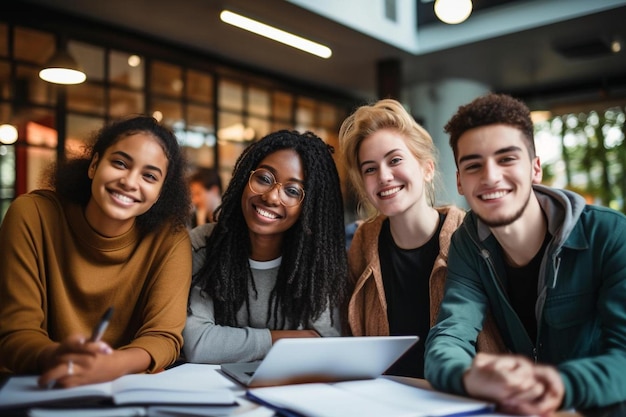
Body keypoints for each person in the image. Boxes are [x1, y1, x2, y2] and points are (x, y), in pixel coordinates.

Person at [424, 93, 626, 415]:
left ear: (535, 168)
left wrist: (561, 384)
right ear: (460, 181)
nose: (490, 176)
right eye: (474, 165)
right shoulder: (467, 244)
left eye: (506, 159)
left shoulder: (610, 235)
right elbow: (450, 333)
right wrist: (468, 376)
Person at [0, 115, 192, 388]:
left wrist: (112, 365)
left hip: (122, 388)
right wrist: (57, 356)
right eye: (120, 163)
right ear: (93, 165)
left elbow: (163, 336)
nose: (129, 181)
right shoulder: (32, 215)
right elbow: (15, 332)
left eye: (149, 176)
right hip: (35, 384)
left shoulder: (170, 240)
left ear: (160, 192)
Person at [338, 98, 504, 379]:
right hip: (383, 397)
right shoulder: (362, 242)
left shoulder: (473, 237)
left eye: (395, 160)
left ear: (427, 168)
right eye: (370, 168)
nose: (384, 176)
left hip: (461, 397)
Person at [183, 130, 347, 363]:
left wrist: (230, 342)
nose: (271, 197)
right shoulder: (204, 246)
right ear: (244, 179)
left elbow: (325, 344)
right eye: (264, 179)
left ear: (310, 207)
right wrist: (283, 339)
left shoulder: (317, 260)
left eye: (292, 191)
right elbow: (198, 344)